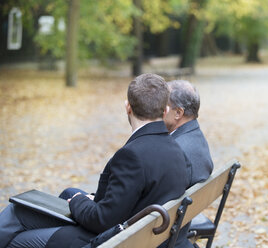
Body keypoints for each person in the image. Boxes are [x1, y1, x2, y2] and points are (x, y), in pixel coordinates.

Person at [0, 73, 191, 248]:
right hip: (139, 235)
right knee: (21, 212)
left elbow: (103, 220)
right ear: (165, 111)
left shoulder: (133, 155)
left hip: (108, 241)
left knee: (16, 230)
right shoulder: (176, 149)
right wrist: (92, 200)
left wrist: (78, 201)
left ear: (128, 107)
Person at [162, 80, 214, 248]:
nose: (159, 110)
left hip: (167, 236)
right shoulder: (195, 137)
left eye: (164, 106)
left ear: (178, 113)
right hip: (181, 225)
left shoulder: (176, 151)